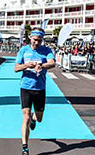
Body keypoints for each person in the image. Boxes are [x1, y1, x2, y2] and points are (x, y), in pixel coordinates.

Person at [14, 27, 55, 155]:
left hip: (40, 88)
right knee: (24, 118)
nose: (37, 43)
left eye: (40, 41)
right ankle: (25, 147)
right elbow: (16, 68)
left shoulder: (46, 50)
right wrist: (27, 65)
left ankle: (34, 118)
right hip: (25, 87)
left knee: (39, 118)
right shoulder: (24, 50)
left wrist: (41, 66)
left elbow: (52, 63)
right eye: (35, 40)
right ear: (30, 38)